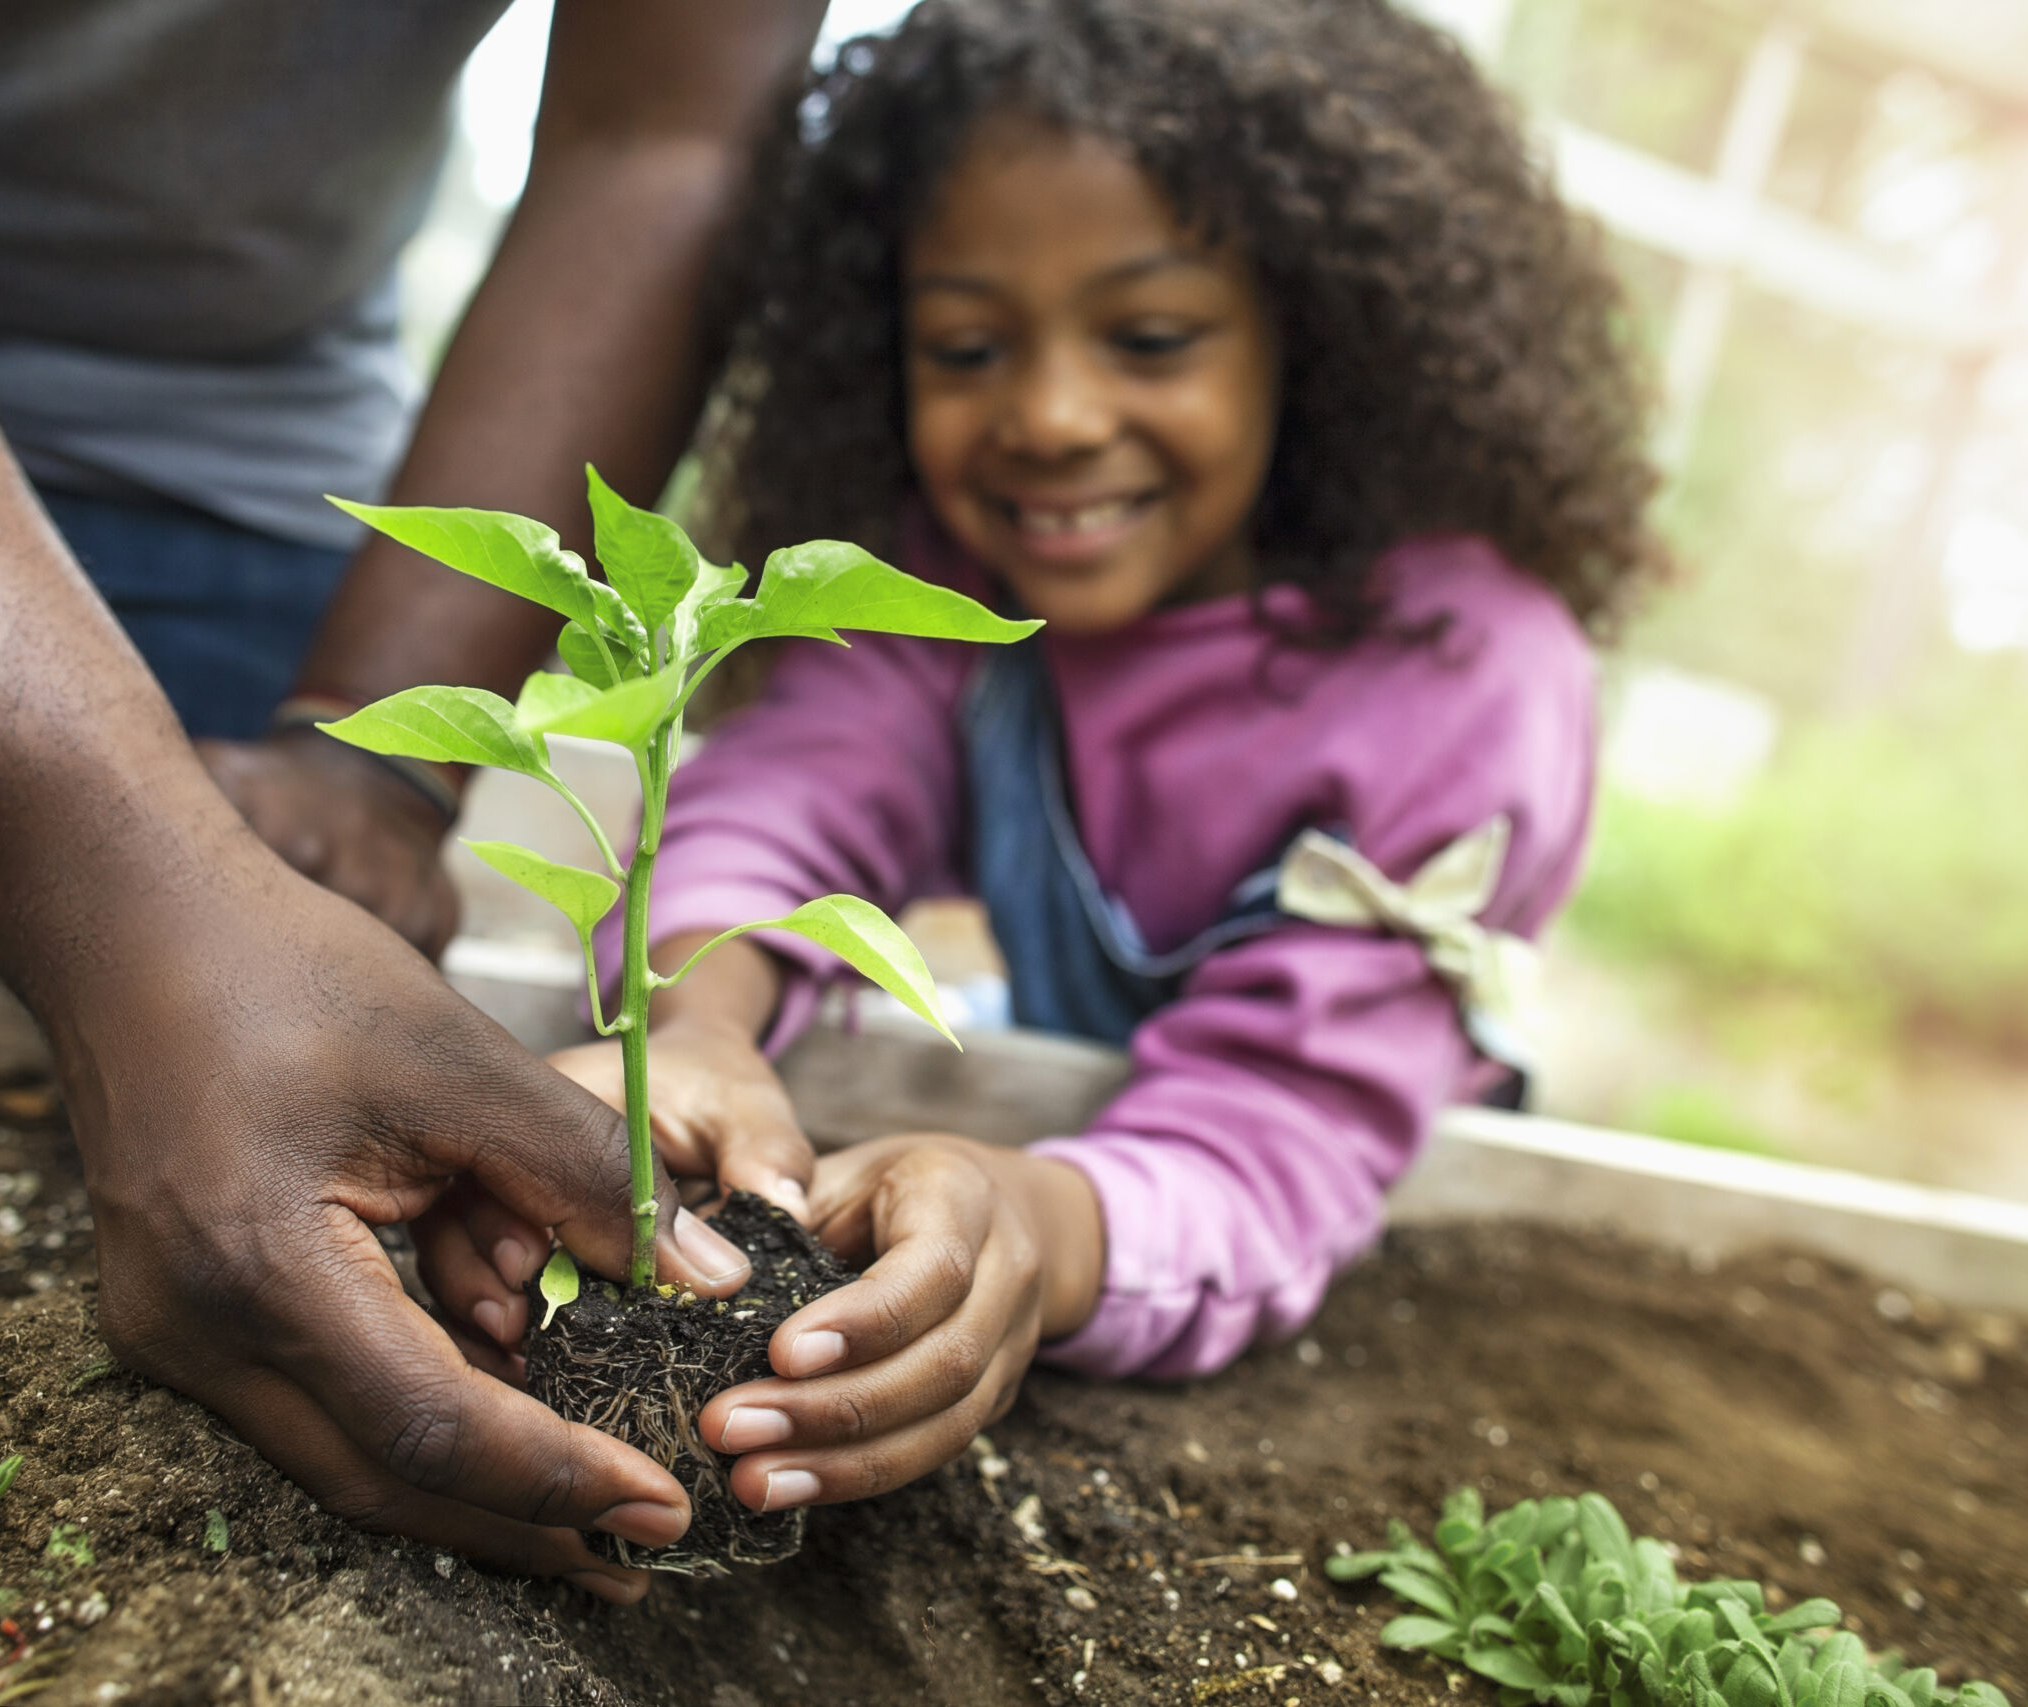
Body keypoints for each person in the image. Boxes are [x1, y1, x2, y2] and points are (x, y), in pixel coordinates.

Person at [0, 0, 834, 1603]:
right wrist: (132, 895)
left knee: (302, 1066)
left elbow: (663, 135)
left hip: (229, 454)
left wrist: (368, 757)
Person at [419, 0, 1665, 1516]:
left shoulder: (1466, 680)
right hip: (1091, 1100)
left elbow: (1284, 1133)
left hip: (1324, 1162)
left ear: (1320, 329)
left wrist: (1036, 1223)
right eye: (966, 346)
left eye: (1149, 337)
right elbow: (786, 800)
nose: (1054, 417)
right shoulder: (950, 585)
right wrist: (692, 1028)